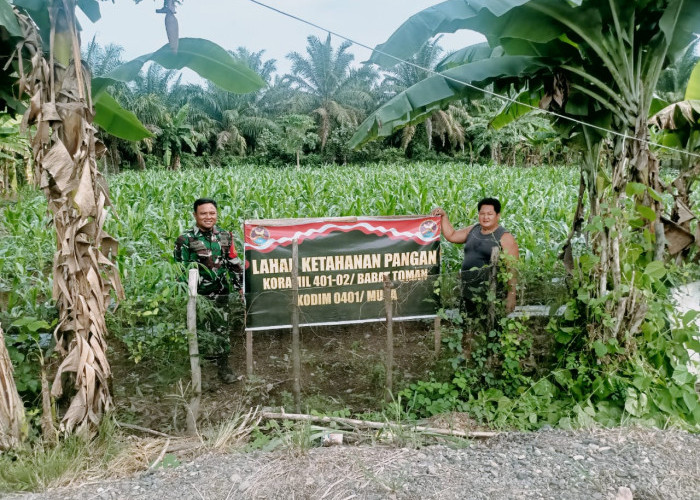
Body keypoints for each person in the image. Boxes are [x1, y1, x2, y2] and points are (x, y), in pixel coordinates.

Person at [174, 198, 243, 383]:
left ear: (216, 214)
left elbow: (234, 264)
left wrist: (241, 287)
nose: (208, 217)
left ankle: (224, 369)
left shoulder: (225, 236)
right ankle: (200, 373)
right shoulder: (185, 239)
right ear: (195, 215)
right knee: (197, 332)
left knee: (222, 331)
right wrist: (187, 296)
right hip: (197, 297)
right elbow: (180, 271)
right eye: (203, 213)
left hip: (221, 294)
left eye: (212, 213)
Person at [431, 198, 519, 315]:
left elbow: (512, 269)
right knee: (467, 328)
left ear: (498, 216)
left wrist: (512, 296)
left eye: (489, 214)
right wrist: (444, 216)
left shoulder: (505, 237)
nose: (485, 217)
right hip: (468, 292)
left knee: (491, 329)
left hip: (492, 294)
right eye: (482, 213)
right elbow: (452, 235)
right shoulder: (473, 230)